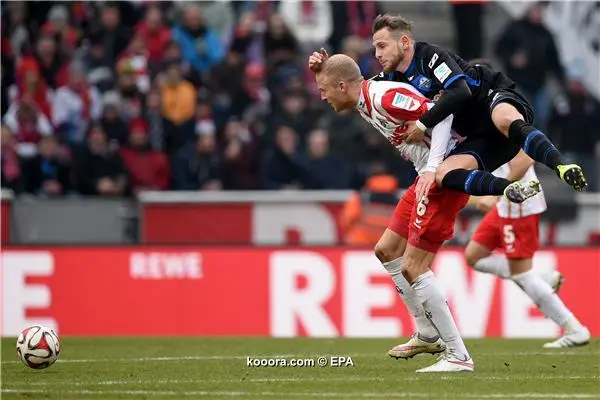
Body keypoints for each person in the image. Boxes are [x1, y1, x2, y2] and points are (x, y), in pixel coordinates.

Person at [313, 53, 477, 372]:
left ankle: (458, 355)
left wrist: (433, 168)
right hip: (423, 175)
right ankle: (428, 334)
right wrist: (320, 66)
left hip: (442, 175)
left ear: (343, 86)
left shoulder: (384, 97)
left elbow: (441, 114)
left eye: (324, 90)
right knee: (387, 250)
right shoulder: (362, 94)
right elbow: (344, 74)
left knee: (414, 266)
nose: (322, 96)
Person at [308, 14, 587, 201]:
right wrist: (325, 64)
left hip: (490, 96)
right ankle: (511, 189)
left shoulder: (430, 56)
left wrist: (421, 123)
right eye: (375, 48)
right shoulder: (390, 77)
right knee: (442, 175)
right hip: (476, 134)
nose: (377, 54)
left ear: (404, 43)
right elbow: (352, 86)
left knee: (504, 119)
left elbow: (460, 91)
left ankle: (562, 166)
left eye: (382, 46)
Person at [465, 151, 590, 348]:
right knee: (474, 256)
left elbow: (526, 157)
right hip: (504, 205)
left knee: (521, 274)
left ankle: (575, 329)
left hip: (519, 205)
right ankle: (542, 277)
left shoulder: (503, 120)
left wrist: (497, 192)